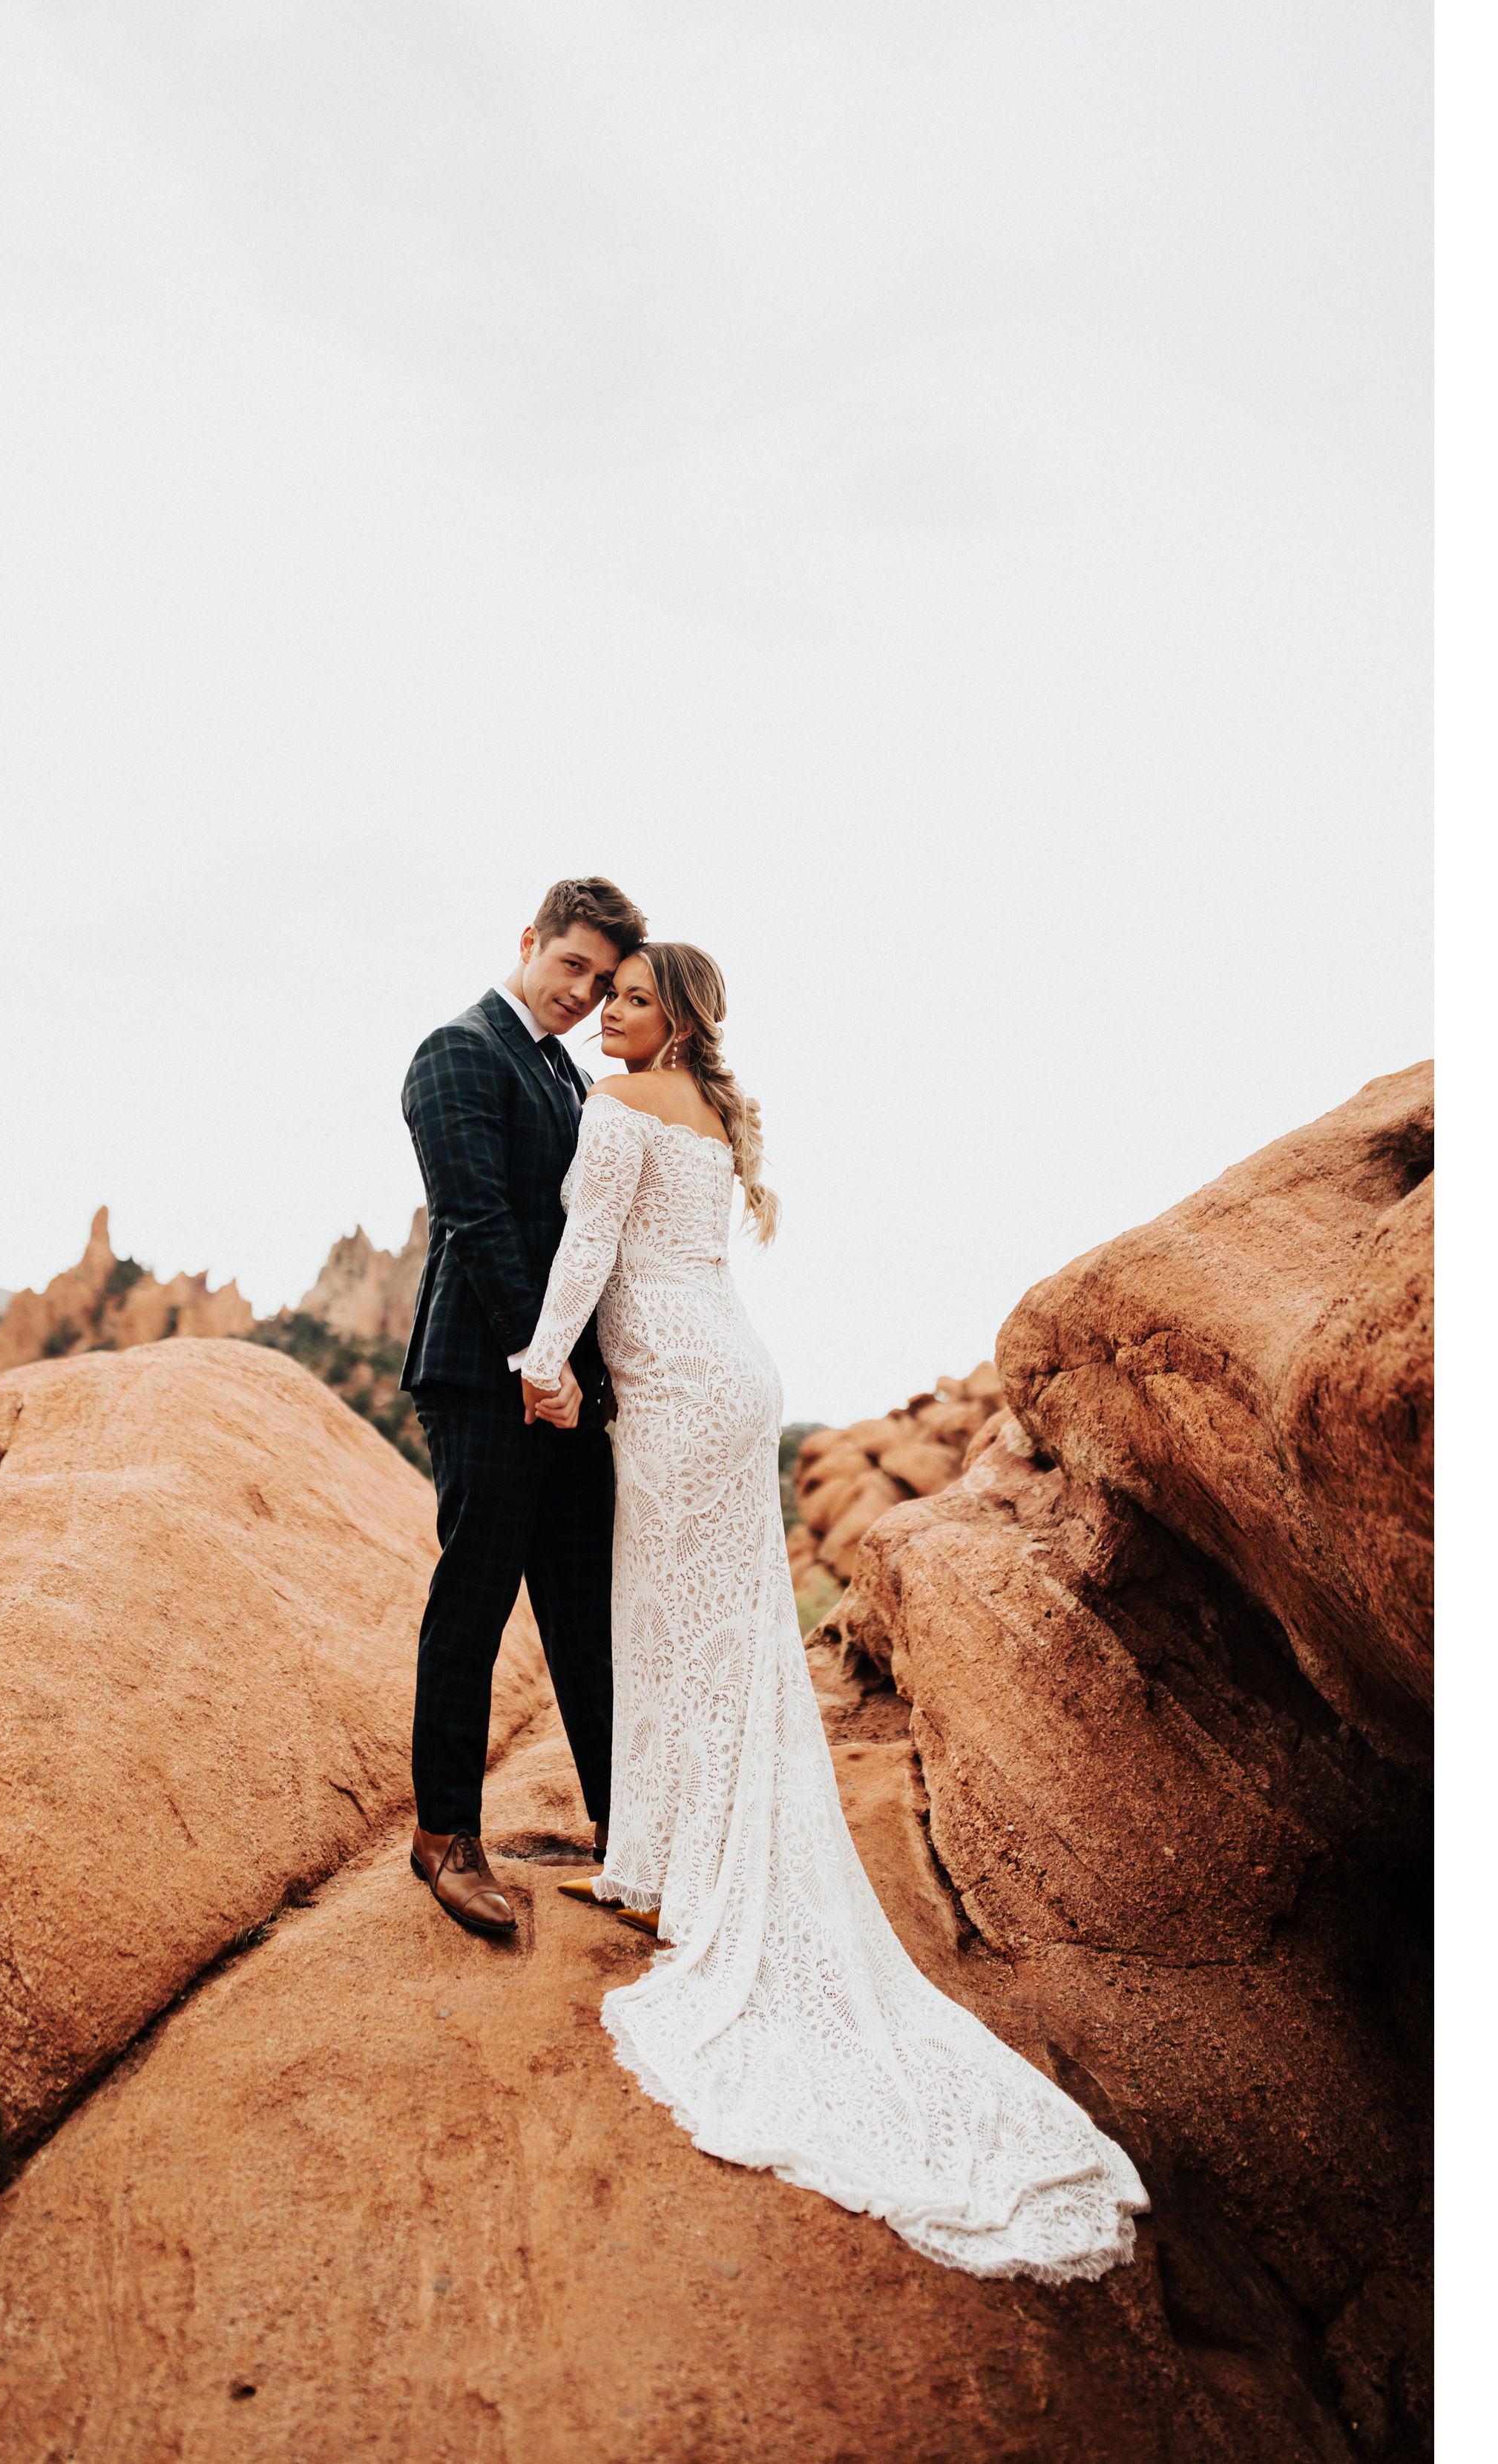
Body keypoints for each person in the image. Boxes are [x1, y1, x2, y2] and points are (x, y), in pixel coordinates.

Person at [516, 942, 1149, 2280]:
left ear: (677, 1023)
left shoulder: (620, 1104)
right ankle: (670, 1867)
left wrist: (542, 1362)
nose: (609, 1014)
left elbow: (585, 1249)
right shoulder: (701, 1109)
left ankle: (677, 1876)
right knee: (720, 1641)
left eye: (632, 999)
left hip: (678, 1394)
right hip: (729, 1378)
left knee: (671, 1634)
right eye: (607, 995)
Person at [398, 877, 648, 1936]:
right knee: (477, 1599)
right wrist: (535, 1363)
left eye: (603, 980)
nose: (584, 994)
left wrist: (586, 1375)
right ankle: (445, 1834)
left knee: (587, 1609)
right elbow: (477, 1219)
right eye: (572, 965)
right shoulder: (458, 1051)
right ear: (530, 940)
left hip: (568, 1385)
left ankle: (631, 1831)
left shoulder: (567, 1071)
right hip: (484, 1372)